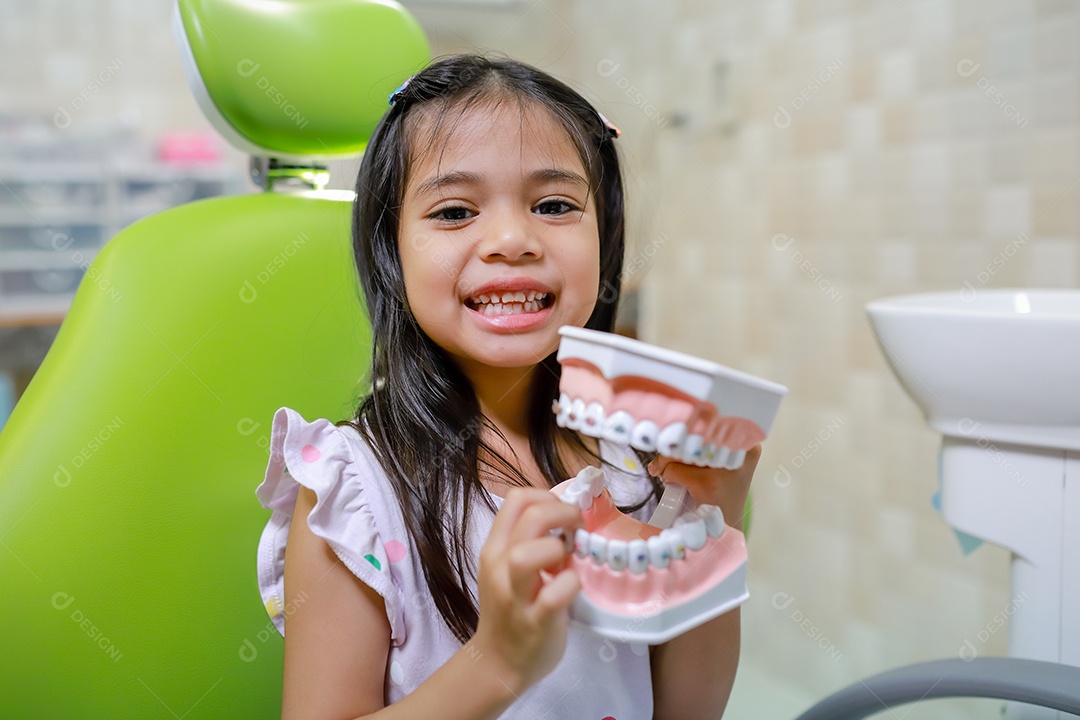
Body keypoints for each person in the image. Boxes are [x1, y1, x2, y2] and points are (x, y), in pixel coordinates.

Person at [255, 54, 761, 720]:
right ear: (391, 251)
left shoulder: (635, 468)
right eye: (455, 211)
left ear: (604, 240)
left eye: (554, 205)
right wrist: (498, 663)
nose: (512, 239)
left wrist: (708, 522)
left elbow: (686, 710)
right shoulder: (352, 498)